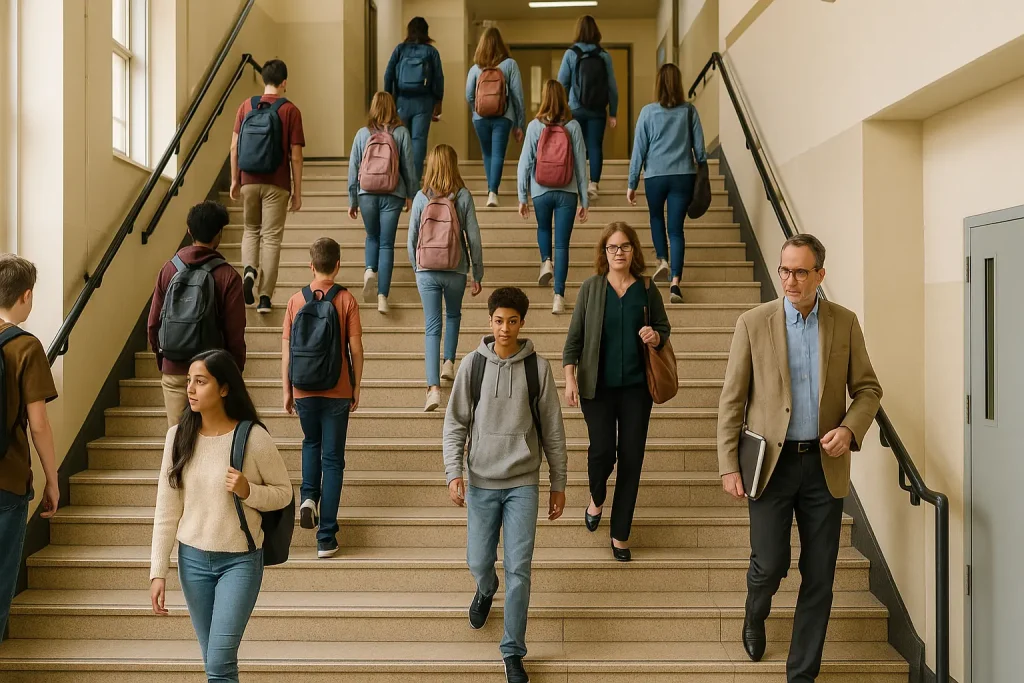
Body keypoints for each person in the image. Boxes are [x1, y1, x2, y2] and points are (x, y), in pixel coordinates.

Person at [717, 234, 882, 682]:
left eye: (800, 271)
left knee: (819, 575)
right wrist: (728, 464)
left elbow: (868, 389)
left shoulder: (844, 322)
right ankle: (755, 613)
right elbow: (732, 399)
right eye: (784, 270)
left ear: (820, 275)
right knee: (770, 563)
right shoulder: (753, 322)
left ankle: (802, 673)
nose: (790, 280)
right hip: (770, 465)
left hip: (824, 467)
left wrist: (849, 429)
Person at [443, 286, 567, 683]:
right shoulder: (472, 365)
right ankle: (485, 586)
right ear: (490, 321)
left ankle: (513, 651)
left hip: (522, 484)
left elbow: (553, 431)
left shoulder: (538, 368)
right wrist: (453, 471)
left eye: (512, 321)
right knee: (478, 560)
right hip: (480, 481)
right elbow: (455, 423)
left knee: (520, 569)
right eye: (499, 320)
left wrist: (558, 483)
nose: (505, 328)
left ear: (522, 323)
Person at [150, 349, 292, 683]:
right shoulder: (177, 438)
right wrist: (158, 571)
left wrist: (248, 491)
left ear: (224, 389)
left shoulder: (253, 438)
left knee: (219, 662)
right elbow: (166, 510)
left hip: (240, 563)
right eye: (188, 381)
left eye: (201, 381)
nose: (190, 389)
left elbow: (284, 493)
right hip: (193, 562)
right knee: (215, 662)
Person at [562, 222, 670, 561]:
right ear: (604, 252)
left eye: (625, 246)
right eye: (613, 247)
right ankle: (596, 498)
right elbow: (574, 339)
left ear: (634, 251)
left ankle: (620, 533)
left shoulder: (648, 288)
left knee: (632, 458)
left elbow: (664, 328)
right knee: (603, 451)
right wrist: (569, 378)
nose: (619, 252)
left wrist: (655, 336)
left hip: (637, 390)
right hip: (598, 388)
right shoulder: (591, 289)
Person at [281, 238, 364, 559]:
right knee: (333, 460)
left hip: (303, 387)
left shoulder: (294, 301)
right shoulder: (346, 300)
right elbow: (355, 349)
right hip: (338, 389)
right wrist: (356, 386)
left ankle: (307, 497)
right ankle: (326, 537)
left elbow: (286, 351)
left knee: (309, 443)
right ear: (338, 265)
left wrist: (287, 389)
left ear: (311, 266)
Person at [0, 255, 59, 642]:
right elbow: (38, 425)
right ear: (26, 296)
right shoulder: (25, 347)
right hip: (7, 482)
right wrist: (52, 482)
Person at [148, 201, 246, 427]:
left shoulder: (169, 269)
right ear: (219, 233)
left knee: (176, 440)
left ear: (189, 230)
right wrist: (232, 374)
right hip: (211, 374)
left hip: (173, 369)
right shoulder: (228, 276)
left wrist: (165, 360)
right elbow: (235, 335)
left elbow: (153, 325)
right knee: (209, 440)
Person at [407, 144, 484, 412]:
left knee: (431, 327)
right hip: (456, 267)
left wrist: (417, 268)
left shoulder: (420, 198)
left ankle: (433, 390)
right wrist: (478, 272)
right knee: (453, 315)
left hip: (426, 269)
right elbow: (473, 237)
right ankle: (448, 363)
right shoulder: (462, 196)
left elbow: (411, 239)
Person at [230, 59, 305, 314]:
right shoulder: (290, 110)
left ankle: (249, 269)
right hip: (277, 183)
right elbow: (296, 155)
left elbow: (234, 147)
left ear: (263, 80)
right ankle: (264, 297)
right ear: (284, 82)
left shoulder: (245, 107)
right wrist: (297, 190)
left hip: (248, 180)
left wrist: (234, 179)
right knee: (271, 238)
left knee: (251, 230)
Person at [627, 63, 707, 303]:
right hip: (683, 176)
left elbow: (639, 150)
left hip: (654, 176)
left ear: (658, 84)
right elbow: (701, 152)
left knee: (655, 218)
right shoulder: (689, 111)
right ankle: (675, 283)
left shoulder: (647, 112)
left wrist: (632, 183)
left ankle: (662, 259)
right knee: (676, 230)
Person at [517, 80, 589, 316]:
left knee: (544, 229)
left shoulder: (535, 126)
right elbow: (580, 164)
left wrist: (522, 197)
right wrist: (584, 199)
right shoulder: (574, 126)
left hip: (541, 190)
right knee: (563, 243)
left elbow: (524, 164)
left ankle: (545, 260)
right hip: (567, 191)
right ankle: (558, 296)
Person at [348, 92, 418, 314]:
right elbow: (408, 166)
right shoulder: (401, 133)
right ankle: (382, 297)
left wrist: (352, 198)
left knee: (372, 236)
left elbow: (353, 168)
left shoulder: (362, 134)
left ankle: (370, 270)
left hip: (366, 192)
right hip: (393, 192)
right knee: (387, 244)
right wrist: (411, 194)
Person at [557, 15, 619, 201]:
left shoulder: (571, 54)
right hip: (598, 110)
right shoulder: (604, 55)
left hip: (575, 109)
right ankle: (593, 184)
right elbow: (612, 87)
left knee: (576, 147)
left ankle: (577, 182)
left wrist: (561, 110)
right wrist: (613, 112)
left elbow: (562, 84)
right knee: (595, 146)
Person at [466, 26, 526, 207]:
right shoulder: (509, 65)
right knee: (498, 154)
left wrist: (476, 111)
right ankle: (493, 192)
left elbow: (469, 95)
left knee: (487, 154)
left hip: (480, 118)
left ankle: (491, 188)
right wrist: (519, 124)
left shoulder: (476, 68)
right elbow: (517, 97)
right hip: (503, 116)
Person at [384, 17, 445, 182]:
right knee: (418, 141)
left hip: (402, 101)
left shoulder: (400, 50)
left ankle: (400, 182)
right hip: (424, 102)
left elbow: (388, 74)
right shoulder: (431, 52)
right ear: (426, 32)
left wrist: (389, 98)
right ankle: (414, 183)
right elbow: (438, 78)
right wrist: (438, 101)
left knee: (400, 141)